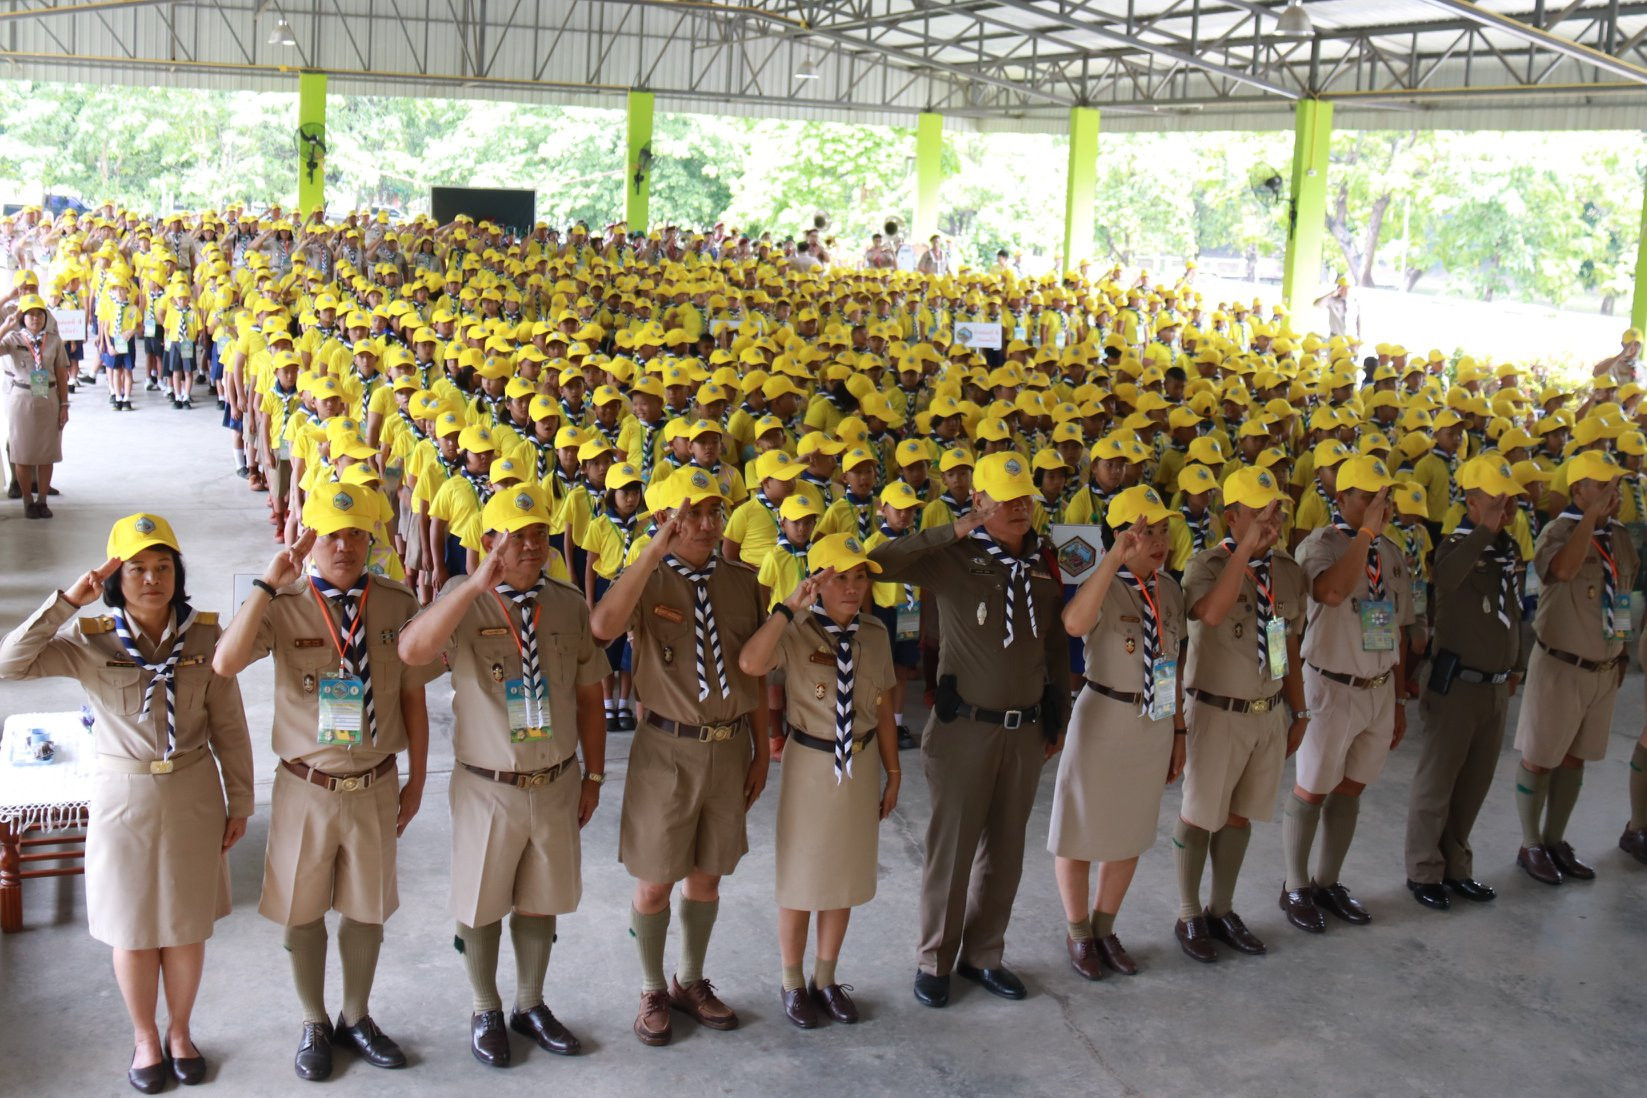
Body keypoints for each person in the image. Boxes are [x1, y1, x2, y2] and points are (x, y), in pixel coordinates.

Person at [0, 513, 252, 1093]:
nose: (151, 578)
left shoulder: (206, 639)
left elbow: (230, 728)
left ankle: (181, 1032)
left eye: (163, 567)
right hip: (123, 800)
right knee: (133, 929)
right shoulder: (90, 642)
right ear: (115, 577)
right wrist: (67, 601)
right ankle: (145, 1038)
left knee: (186, 927)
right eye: (136, 568)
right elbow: (12, 662)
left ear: (177, 573)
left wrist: (239, 801)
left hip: (192, 791)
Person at [212, 483, 440, 1082]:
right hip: (305, 786)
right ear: (311, 540)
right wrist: (269, 581)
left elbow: (414, 695)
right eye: (331, 535)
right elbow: (225, 663)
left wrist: (416, 779)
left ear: (372, 541)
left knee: (367, 912)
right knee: (302, 908)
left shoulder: (395, 602)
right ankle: (314, 1019)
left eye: (356, 535)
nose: (344, 546)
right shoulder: (283, 603)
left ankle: (356, 1017)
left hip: (375, 784)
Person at [398, 485, 609, 1067]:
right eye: (517, 536)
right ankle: (485, 1006)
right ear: (489, 542)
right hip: (488, 785)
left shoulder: (567, 603)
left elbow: (591, 697)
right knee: (482, 902)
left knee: (542, 901)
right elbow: (412, 653)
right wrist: (472, 586)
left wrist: (593, 778)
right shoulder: (461, 603)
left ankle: (530, 1003)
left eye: (540, 533)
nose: (533, 545)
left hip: (557, 780)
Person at [868, 451, 1072, 1008]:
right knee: (952, 850)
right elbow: (878, 562)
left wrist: (1059, 708)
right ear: (979, 501)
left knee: (1006, 851)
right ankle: (935, 958)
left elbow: (1055, 640)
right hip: (965, 730)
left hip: (1025, 730)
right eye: (1005, 499)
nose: (1019, 507)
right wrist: (951, 529)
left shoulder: (1043, 560)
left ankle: (985, 954)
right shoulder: (953, 556)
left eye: (1025, 496)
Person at [588, 466, 769, 1047]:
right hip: (666, 750)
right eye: (691, 514)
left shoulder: (742, 582)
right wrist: (650, 553)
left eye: (713, 512)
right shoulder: (646, 581)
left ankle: (689, 979)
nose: (707, 524)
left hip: (727, 745)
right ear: (665, 521)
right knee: (655, 879)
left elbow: (756, 672)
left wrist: (761, 751)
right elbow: (602, 627)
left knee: (708, 876)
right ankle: (650, 987)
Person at [737, 533, 900, 1028]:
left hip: (861, 762)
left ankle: (826, 979)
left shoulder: (874, 633)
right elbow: (751, 663)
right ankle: (791, 981)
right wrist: (788, 608)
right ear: (818, 582)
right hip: (810, 764)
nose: (853, 589)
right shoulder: (796, 630)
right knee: (802, 879)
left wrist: (893, 772)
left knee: (842, 878)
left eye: (860, 578)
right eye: (840, 578)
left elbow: (885, 707)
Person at [1050, 485, 1186, 980]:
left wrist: (1178, 730)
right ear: (1122, 537)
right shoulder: (1100, 582)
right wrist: (1112, 559)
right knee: (1080, 831)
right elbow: (1073, 623)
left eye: (1162, 531)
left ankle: (1106, 928)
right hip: (1103, 715)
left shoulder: (1170, 589)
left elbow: (1175, 661)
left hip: (1152, 722)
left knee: (1130, 831)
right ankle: (1079, 931)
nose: (1157, 541)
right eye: (1145, 532)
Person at [1173, 468, 1304, 963]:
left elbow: (1288, 643)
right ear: (1231, 517)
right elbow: (1208, 613)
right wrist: (1246, 551)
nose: (1272, 522)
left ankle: (1220, 909)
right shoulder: (1208, 564)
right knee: (1199, 815)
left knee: (1238, 816)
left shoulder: (1288, 570)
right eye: (1258, 513)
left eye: (1277, 513)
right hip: (1216, 711)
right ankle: (1188, 913)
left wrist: (1301, 709)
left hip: (1267, 712)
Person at [1283, 455, 1414, 933]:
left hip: (1378, 688)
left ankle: (1327, 881)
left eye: (1386, 497)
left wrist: (1398, 701)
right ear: (1341, 500)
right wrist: (1365, 537)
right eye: (1370, 497)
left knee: (1353, 785)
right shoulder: (1321, 545)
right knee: (1312, 788)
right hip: (1331, 686)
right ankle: (1295, 884)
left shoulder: (1393, 553)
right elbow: (1331, 593)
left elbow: (1397, 630)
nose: (1383, 505)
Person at [1404, 455, 1526, 910]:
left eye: (1509, 500)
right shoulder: (1454, 547)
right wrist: (1484, 531)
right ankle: (1423, 870)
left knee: (1474, 783)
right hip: (1455, 686)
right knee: (1437, 782)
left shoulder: (1507, 550)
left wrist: (1517, 667)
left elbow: (1514, 614)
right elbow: (1448, 578)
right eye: (1496, 500)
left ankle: (1457, 866)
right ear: (1472, 503)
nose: (1506, 508)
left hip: (1494, 687)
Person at [1510, 451, 1636, 885]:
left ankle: (1554, 840)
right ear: (1578, 489)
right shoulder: (1557, 532)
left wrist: (1621, 650)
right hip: (1560, 665)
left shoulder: (1618, 535)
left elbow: (1621, 591)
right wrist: (1589, 521)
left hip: (1601, 668)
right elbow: (1560, 570)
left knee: (1574, 758)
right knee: (1540, 758)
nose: (1610, 494)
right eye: (1600, 486)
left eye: (1613, 486)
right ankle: (1530, 845)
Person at [0, 293, 71, 518]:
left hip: (48, 397)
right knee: (22, 453)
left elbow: (61, 373)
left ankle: (42, 500)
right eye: (29, 315)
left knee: (46, 452)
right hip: (21, 397)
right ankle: (27, 501)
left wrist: (64, 405)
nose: (35, 319)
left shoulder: (54, 341)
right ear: (22, 318)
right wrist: (5, 326)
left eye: (39, 314)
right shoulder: (13, 339)